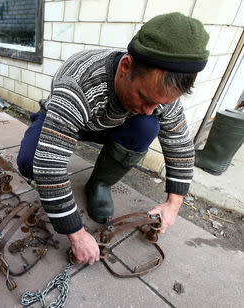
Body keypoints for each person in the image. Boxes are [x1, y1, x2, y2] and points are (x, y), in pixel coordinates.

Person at [16, 12, 209, 264]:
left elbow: (181, 145)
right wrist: (76, 233)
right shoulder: (79, 84)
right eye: (145, 98)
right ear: (126, 67)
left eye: (160, 103)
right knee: (32, 162)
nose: (151, 108)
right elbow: (49, 165)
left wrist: (173, 204)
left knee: (147, 126)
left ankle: (99, 184)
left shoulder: (160, 94)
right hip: (69, 118)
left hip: (114, 123)